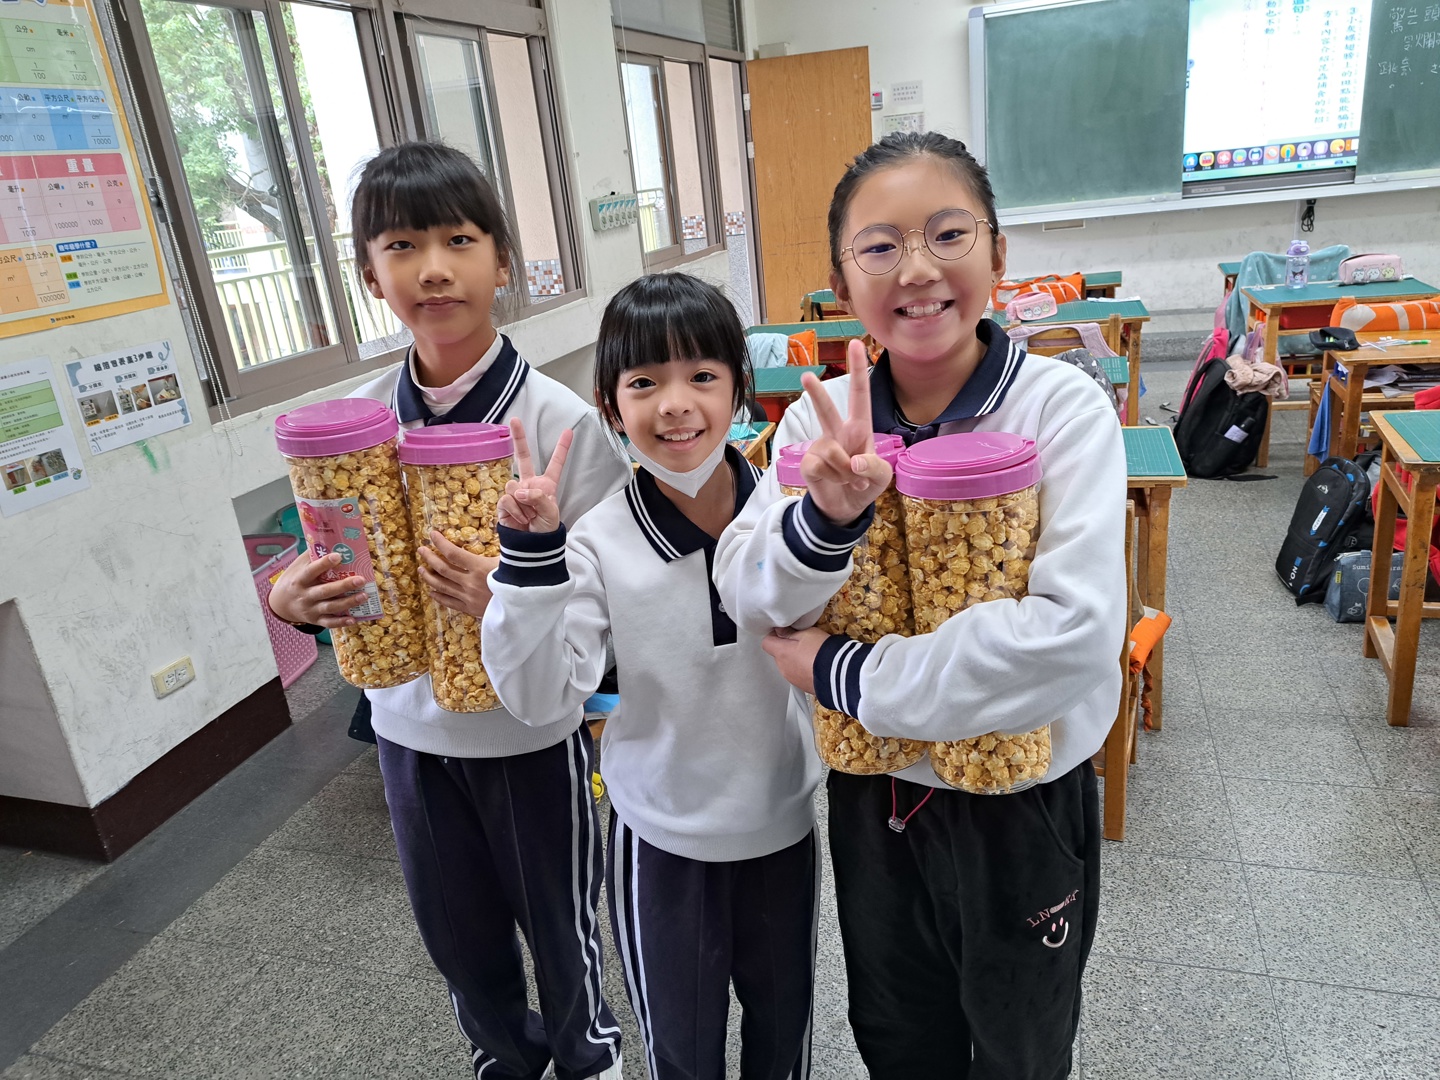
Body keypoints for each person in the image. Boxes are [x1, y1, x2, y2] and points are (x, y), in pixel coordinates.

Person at [713, 131, 1127, 1080]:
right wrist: (824, 519)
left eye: (948, 234)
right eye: (880, 247)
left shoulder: (1060, 410)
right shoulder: (818, 421)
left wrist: (841, 670)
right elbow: (746, 589)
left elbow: (1070, 637)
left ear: (997, 254)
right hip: (875, 793)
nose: (917, 271)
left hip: (1020, 799)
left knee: (1021, 1048)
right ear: (840, 281)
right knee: (897, 1036)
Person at [267, 141, 631, 1080]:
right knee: (457, 936)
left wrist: (514, 595)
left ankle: (587, 1057)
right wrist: (295, 600)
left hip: (530, 737)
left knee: (560, 927)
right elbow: (338, 561)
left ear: (502, 262)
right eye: (401, 246)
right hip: (407, 732)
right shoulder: (354, 428)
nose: (433, 269)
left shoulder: (557, 422)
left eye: (460, 241)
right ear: (369, 274)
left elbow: (609, 591)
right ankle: (501, 1059)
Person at [482, 273, 822, 1080]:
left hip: (780, 823)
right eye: (644, 383)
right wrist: (529, 562)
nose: (674, 404)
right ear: (609, 404)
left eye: (702, 375)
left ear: (739, 388)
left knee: (784, 1040)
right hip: (660, 842)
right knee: (681, 1052)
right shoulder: (596, 538)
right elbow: (539, 697)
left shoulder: (790, 514)